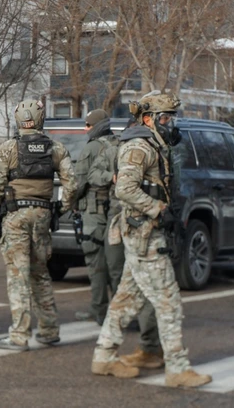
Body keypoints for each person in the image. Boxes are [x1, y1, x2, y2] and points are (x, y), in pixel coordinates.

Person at [91, 91, 212, 388]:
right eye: (166, 118)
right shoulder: (139, 147)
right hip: (144, 235)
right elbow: (125, 189)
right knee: (169, 302)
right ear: (148, 119)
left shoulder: (154, 145)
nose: (171, 123)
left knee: (126, 300)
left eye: (172, 118)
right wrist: (158, 209)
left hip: (144, 233)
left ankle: (104, 356)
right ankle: (177, 369)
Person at [0, 99, 77, 351]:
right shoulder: (56, 148)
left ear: (18, 120)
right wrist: (60, 208)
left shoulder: (8, 149)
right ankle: (49, 329)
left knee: (18, 276)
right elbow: (72, 184)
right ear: (40, 118)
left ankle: (19, 335)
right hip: (42, 216)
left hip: (16, 216)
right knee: (40, 272)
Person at [87, 117, 164, 369]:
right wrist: (112, 176)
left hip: (144, 220)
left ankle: (146, 337)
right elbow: (93, 174)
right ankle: (126, 329)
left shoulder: (156, 150)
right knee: (116, 269)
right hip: (118, 216)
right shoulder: (113, 150)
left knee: (141, 278)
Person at [73, 109, 118, 325]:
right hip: (116, 212)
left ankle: (99, 310)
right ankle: (119, 311)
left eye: (88, 125)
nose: (85, 129)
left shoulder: (91, 148)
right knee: (117, 265)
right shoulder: (119, 144)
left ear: (97, 126)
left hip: (94, 212)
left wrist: (71, 203)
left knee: (96, 263)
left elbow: (79, 182)